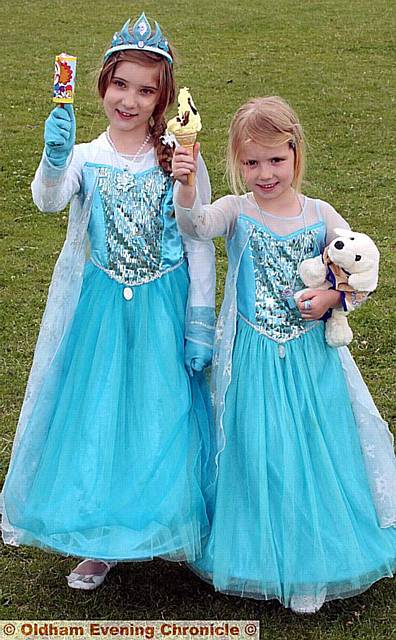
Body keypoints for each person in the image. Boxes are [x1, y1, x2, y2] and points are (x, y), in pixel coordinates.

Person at [0, 12, 216, 590]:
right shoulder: (86, 157)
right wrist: (53, 156)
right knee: (98, 418)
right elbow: (48, 202)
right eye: (121, 84)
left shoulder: (178, 157)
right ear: (101, 85)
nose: (130, 99)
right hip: (100, 311)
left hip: (163, 309)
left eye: (146, 90)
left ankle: (167, 526)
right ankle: (99, 541)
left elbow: (197, 239)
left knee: (163, 415)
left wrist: (199, 322)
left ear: (162, 98)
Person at [172, 96, 396, 613]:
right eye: (251, 162)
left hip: (311, 358)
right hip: (253, 354)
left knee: (312, 448)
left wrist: (334, 298)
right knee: (259, 449)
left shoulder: (321, 215)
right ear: (236, 163)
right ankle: (259, 550)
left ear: (296, 153)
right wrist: (186, 183)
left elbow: (362, 274)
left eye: (276, 159)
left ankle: (310, 563)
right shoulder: (238, 211)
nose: (265, 173)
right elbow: (195, 226)